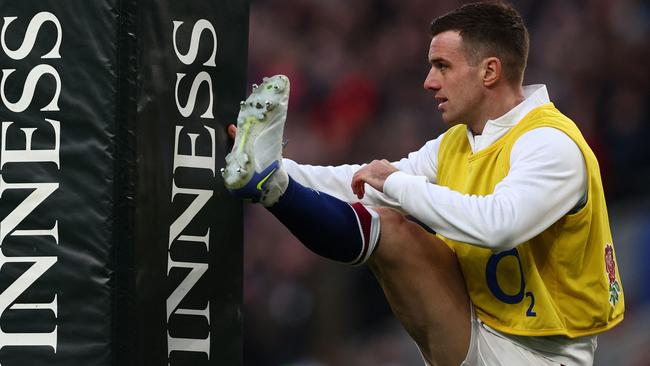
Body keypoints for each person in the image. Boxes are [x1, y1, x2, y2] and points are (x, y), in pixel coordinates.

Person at [223, 1, 625, 365]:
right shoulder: (457, 142)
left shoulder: (550, 143)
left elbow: (499, 226)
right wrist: (276, 167)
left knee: (396, 222)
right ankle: (271, 186)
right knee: (390, 225)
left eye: (443, 66)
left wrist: (399, 185)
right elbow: (362, 183)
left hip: (541, 356)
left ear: (489, 71)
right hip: (479, 327)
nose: (429, 81)